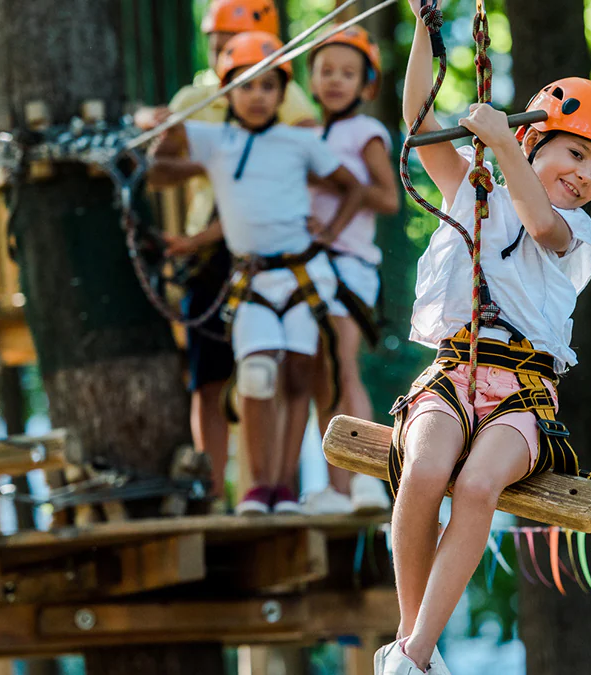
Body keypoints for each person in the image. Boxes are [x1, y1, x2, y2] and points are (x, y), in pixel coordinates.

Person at [374, 3, 591, 673]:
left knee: (478, 485)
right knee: (427, 470)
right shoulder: (471, 186)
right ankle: (413, 648)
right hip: (452, 373)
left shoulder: (577, 235)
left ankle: (414, 650)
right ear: (534, 140)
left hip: (521, 395)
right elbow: (417, 118)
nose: (584, 175)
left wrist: (496, 146)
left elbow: (537, 219)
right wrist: (427, 29)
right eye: (575, 152)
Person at [148, 32, 365, 516]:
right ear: (228, 93)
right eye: (246, 86)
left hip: (302, 276)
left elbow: (351, 186)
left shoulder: (297, 141)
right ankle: (256, 487)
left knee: (296, 379)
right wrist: (168, 138)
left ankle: (283, 488)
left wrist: (328, 231)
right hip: (251, 282)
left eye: (269, 87)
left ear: (281, 93)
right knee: (257, 375)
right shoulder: (213, 139)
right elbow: (158, 171)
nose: (258, 96)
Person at [138, 0, 317, 508]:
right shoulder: (196, 96)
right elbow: (159, 167)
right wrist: (205, 157)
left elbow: (299, 154)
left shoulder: (286, 93)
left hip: (267, 253)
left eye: (230, 43)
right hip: (209, 257)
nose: (220, 54)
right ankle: (212, 492)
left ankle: (269, 487)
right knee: (210, 376)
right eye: (216, 45)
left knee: (272, 374)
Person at [300, 25, 400, 515]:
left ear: (367, 85)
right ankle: (335, 490)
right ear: (312, 80)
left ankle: (365, 481)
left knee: (343, 367)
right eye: (327, 71)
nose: (336, 81)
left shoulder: (365, 132)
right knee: (322, 376)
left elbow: (387, 197)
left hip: (348, 267)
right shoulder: (307, 133)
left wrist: (338, 189)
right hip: (310, 268)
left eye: (348, 73)